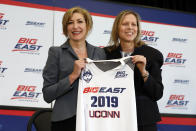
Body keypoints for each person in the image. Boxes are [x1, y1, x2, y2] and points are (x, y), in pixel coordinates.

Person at [42, 7, 106, 131]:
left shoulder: (100, 53)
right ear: (66, 28)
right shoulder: (56, 52)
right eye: (70, 23)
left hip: (95, 120)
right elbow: (47, 94)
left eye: (80, 21)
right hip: (65, 121)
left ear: (87, 25)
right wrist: (72, 76)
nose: (75, 26)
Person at [104, 10, 164, 131]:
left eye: (133, 24)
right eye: (125, 24)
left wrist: (144, 72)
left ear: (138, 28)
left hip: (144, 121)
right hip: (114, 119)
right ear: (117, 28)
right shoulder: (105, 54)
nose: (130, 28)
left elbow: (157, 93)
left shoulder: (152, 55)